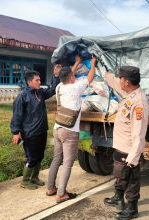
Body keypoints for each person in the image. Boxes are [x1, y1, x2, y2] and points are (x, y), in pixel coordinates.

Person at [46, 55, 96, 203]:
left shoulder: (59, 87)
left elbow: (67, 75)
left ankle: (50, 188)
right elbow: (90, 77)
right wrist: (92, 63)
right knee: (67, 163)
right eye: (73, 75)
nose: (74, 76)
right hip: (69, 131)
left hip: (57, 128)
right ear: (71, 78)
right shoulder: (76, 87)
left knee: (56, 159)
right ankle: (61, 194)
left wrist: (76, 63)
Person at [103, 66, 149, 219]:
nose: (119, 81)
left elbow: (139, 134)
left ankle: (132, 208)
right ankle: (118, 197)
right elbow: (114, 82)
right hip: (120, 146)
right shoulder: (129, 93)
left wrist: (133, 159)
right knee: (120, 174)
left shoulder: (139, 103)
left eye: (121, 78)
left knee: (131, 179)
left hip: (129, 150)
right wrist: (104, 71)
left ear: (127, 82)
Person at [10, 65, 61, 189]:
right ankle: (25, 181)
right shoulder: (22, 96)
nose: (40, 82)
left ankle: (34, 177)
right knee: (31, 158)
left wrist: (56, 76)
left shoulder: (40, 93)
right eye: (37, 80)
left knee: (40, 156)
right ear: (29, 82)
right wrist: (16, 132)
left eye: (40, 80)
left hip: (41, 131)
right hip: (29, 133)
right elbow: (17, 115)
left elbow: (52, 89)